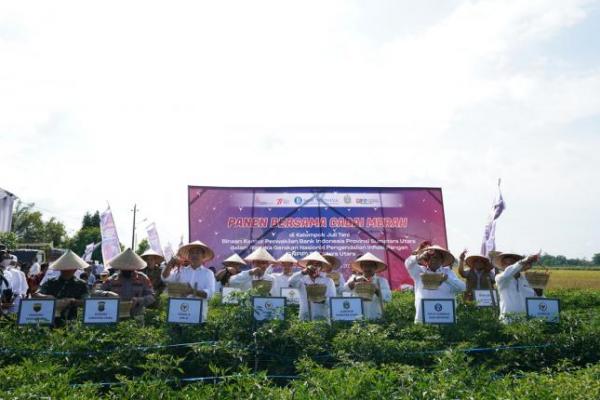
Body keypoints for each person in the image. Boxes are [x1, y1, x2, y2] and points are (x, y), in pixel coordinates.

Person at [405, 241, 466, 324]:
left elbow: (462, 288)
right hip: (423, 319)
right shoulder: (419, 271)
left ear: (442, 260)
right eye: (430, 257)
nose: (433, 260)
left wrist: (448, 280)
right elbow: (408, 264)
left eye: (437, 257)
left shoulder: (448, 272)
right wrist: (418, 257)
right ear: (426, 259)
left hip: (446, 318)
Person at [161, 240, 216, 320]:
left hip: (198, 315)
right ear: (188, 256)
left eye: (197, 253)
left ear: (203, 256)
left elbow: (210, 294)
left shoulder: (208, 273)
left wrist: (192, 291)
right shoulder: (181, 270)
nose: (194, 255)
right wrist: (170, 262)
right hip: (180, 313)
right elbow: (165, 278)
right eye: (192, 253)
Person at [94, 249, 155, 317]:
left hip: (136, 315)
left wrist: (138, 300)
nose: (127, 270)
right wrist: (108, 294)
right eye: (124, 268)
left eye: (129, 269)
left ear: (135, 267)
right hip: (116, 316)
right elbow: (95, 292)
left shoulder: (143, 278)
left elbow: (152, 297)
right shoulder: (112, 279)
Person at [33, 250, 89, 321]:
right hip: (50, 318)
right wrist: (47, 297)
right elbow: (36, 295)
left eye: (69, 269)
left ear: (75, 269)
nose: (66, 270)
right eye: (64, 268)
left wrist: (73, 301)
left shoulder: (81, 284)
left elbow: (87, 301)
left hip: (72, 319)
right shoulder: (50, 282)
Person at [493, 252, 540, 323]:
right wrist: (525, 260)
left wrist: (540, 294)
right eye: (506, 264)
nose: (509, 266)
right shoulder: (500, 279)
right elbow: (508, 273)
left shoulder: (527, 280)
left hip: (525, 324)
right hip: (507, 322)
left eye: (512, 263)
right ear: (502, 266)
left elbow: (536, 300)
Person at [289, 251, 336, 321]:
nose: (314, 267)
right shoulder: (301, 280)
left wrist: (322, 300)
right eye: (311, 264)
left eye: (317, 265)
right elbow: (291, 282)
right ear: (307, 266)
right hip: (304, 318)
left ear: (321, 267)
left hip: (321, 318)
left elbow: (332, 301)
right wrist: (302, 272)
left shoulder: (328, 281)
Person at [344, 252, 392, 320]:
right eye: (365, 266)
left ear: (375, 267)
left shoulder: (382, 281)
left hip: (375, 315)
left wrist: (376, 290)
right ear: (361, 267)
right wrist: (354, 282)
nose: (367, 268)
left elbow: (388, 297)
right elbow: (344, 290)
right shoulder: (355, 279)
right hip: (357, 316)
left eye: (370, 265)